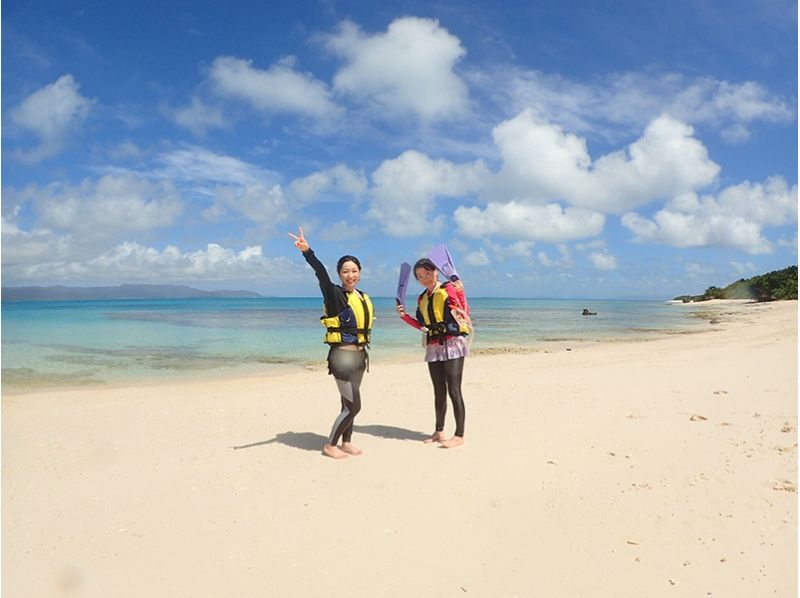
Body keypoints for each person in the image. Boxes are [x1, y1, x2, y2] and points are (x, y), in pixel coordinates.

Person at [289, 226, 373, 460]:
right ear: (339, 274)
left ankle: (346, 442)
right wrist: (307, 252)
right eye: (345, 271)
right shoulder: (335, 294)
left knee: (347, 404)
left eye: (354, 271)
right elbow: (320, 273)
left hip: (360, 356)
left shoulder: (362, 296)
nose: (350, 275)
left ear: (360, 272)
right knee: (353, 406)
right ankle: (330, 445)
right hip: (342, 358)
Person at [395, 258, 470, 448]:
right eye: (420, 276)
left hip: (453, 344)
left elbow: (463, 313)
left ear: (436, 271)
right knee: (438, 391)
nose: (424, 278)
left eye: (427, 273)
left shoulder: (448, 289)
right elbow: (422, 326)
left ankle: (459, 435)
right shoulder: (422, 298)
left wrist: (461, 293)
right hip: (434, 347)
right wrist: (404, 317)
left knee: (454, 390)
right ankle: (439, 431)